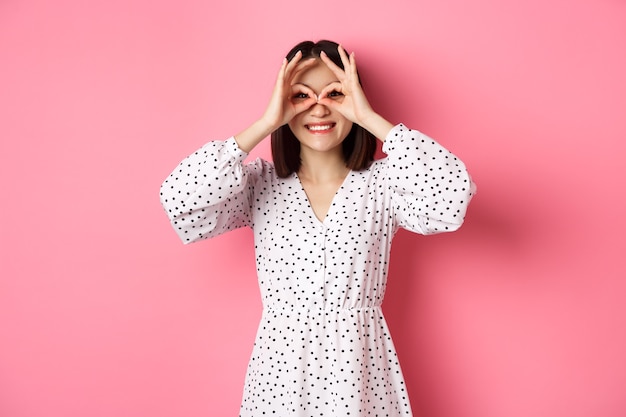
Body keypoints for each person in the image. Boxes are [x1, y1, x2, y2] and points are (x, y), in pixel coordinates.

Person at [160, 39, 475, 417]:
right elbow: (179, 199)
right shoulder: (258, 184)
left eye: (334, 93)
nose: (319, 107)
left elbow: (452, 196)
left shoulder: (385, 184)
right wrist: (264, 123)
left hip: (361, 376)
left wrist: (369, 117)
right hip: (280, 380)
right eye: (301, 95)